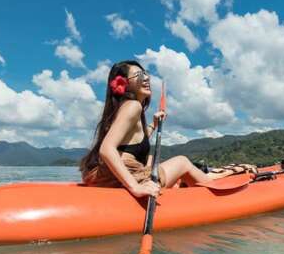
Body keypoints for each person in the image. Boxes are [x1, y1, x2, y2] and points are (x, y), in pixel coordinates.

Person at [80, 60, 245, 198]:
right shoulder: (133, 106)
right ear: (125, 84)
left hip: (107, 175)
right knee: (182, 161)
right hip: (127, 177)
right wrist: (135, 188)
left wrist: (153, 125)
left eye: (145, 74)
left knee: (152, 159)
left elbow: (132, 142)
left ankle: (192, 183)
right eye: (139, 76)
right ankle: (217, 191)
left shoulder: (123, 108)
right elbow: (107, 149)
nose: (146, 78)